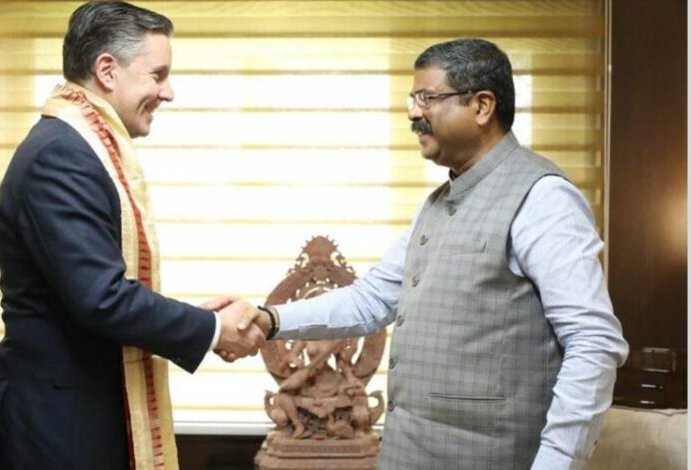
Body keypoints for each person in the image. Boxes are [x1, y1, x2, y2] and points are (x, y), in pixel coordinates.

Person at [217, 38, 629, 469]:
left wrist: (558, 463)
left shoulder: (543, 198)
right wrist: (269, 319)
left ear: (482, 106)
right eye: (413, 99)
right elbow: (371, 299)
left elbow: (593, 342)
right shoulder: (436, 204)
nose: (413, 113)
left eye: (427, 98)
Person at [0, 2, 265, 469]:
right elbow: (102, 298)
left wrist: (192, 321)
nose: (168, 93)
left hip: (77, 424)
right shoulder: (61, 155)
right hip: (55, 432)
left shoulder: (77, 147)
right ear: (107, 70)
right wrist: (211, 329)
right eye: (158, 74)